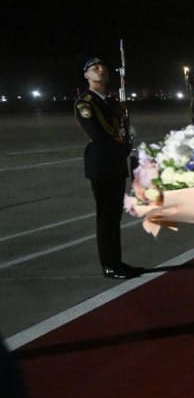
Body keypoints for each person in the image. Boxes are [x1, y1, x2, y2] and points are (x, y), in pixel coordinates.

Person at [75, 54, 141, 280]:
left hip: (114, 162)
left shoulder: (111, 101)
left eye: (102, 66)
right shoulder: (86, 102)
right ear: (86, 74)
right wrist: (121, 146)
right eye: (93, 67)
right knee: (105, 217)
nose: (99, 69)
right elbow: (99, 135)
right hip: (102, 162)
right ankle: (109, 265)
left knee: (113, 217)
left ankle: (116, 261)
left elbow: (121, 130)